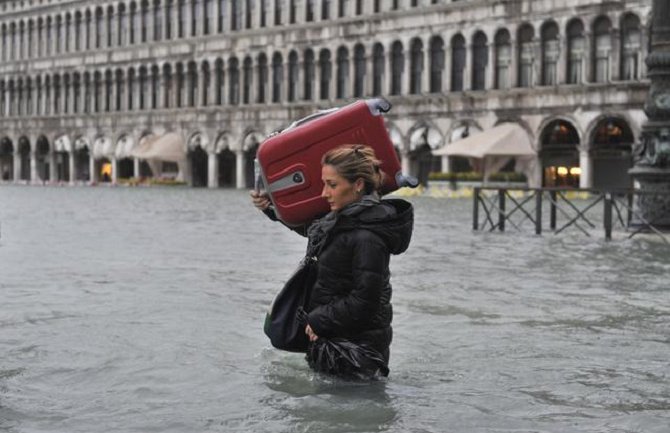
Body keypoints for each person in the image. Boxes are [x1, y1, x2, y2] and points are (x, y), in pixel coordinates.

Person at [251, 144, 414, 378]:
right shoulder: (342, 219)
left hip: (358, 354)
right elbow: (315, 231)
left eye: (332, 185)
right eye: (324, 183)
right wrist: (272, 209)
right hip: (335, 343)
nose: (324, 193)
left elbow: (364, 301)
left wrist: (318, 320)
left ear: (357, 185)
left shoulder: (369, 236)